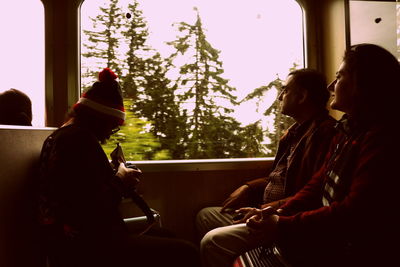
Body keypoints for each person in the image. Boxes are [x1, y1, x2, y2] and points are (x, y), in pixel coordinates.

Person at [201, 44, 400, 267]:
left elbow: (355, 213)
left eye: (339, 76)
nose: (331, 86)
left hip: (343, 243)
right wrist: (275, 210)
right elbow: (317, 184)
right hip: (307, 222)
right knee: (208, 218)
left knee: (213, 241)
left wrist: (281, 222)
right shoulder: (347, 131)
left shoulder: (381, 138)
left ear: (362, 84)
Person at [37, 68, 200, 267]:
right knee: (186, 252)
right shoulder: (79, 140)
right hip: (89, 245)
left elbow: (82, 189)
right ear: (98, 119)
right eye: (111, 126)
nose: (110, 134)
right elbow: (89, 209)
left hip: (76, 239)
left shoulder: (60, 137)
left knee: (166, 235)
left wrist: (113, 176)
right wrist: (121, 181)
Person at [196, 68, 337, 239]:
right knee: (206, 215)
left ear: (302, 96)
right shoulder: (294, 133)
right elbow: (282, 177)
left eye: (285, 90)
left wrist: (266, 211)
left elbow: (312, 193)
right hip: (268, 208)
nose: (279, 97)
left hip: (283, 216)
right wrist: (248, 187)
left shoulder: (325, 134)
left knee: (213, 239)